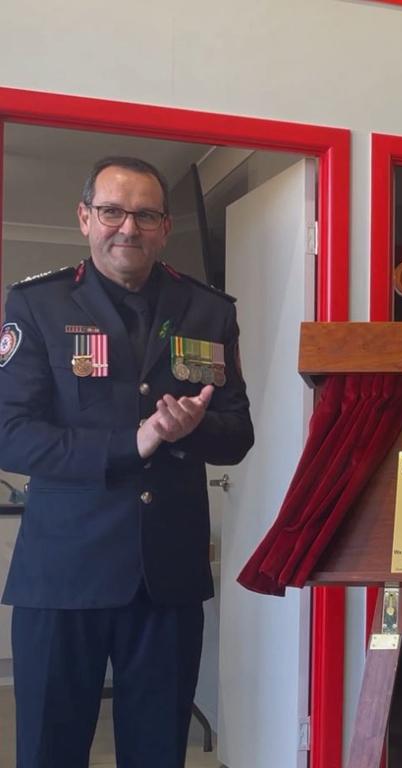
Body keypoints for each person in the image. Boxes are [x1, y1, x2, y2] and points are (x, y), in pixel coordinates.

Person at [0, 156, 254, 767]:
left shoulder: (208, 310)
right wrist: (130, 442)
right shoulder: (37, 304)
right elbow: (10, 434)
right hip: (64, 574)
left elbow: (238, 432)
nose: (127, 228)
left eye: (144, 215)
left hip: (165, 576)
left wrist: (188, 431)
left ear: (165, 227)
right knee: (50, 750)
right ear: (85, 217)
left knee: (157, 751)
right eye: (112, 212)